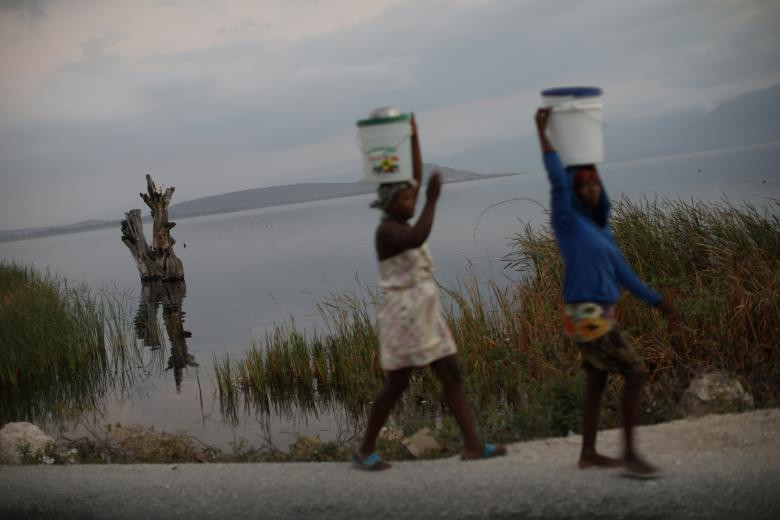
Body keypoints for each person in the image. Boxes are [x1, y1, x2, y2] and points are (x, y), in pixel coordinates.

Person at [352, 116, 506, 470]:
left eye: (414, 198)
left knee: (451, 373)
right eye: (406, 199)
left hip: (424, 311)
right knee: (397, 384)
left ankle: (473, 444)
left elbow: (416, 177)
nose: (412, 202)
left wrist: (413, 137)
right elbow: (416, 238)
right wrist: (434, 200)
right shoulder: (389, 231)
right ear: (390, 202)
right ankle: (364, 449)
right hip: (405, 315)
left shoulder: (400, 218)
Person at [534, 107, 678, 478]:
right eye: (583, 185)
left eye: (594, 184)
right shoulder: (568, 222)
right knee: (635, 372)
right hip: (585, 314)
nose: (590, 189)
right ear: (575, 192)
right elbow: (557, 180)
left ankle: (588, 454)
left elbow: (624, 274)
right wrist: (543, 132)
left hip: (601, 313)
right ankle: (629, 455)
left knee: (597, 381)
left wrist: (659, 302)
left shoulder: (603, 231)